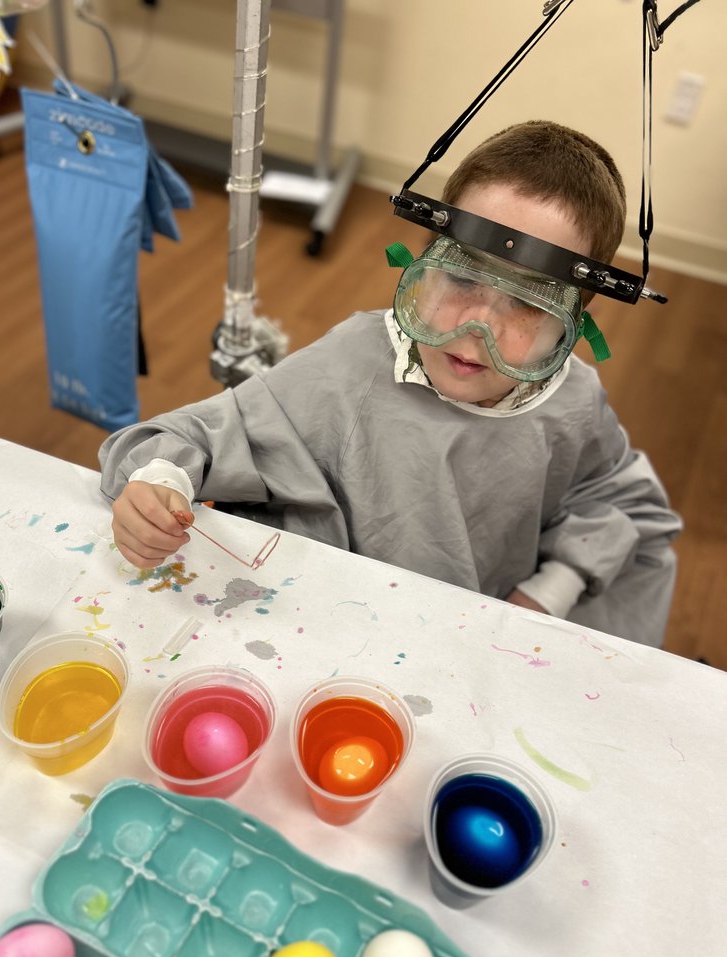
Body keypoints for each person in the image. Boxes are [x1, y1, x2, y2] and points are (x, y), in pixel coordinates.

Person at [99, 121, 681, 648]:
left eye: (526, 305)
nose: (473, 329)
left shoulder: (573, 401)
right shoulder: (352, 364)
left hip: (486, 637)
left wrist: (546, 594)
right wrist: (159, 480)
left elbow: (615, 498)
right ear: (423, 258)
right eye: (459, 277)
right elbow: (195, 437)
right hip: (345, 636)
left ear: (575, 321)